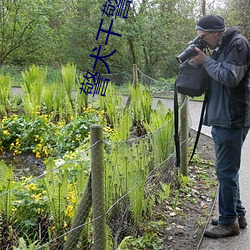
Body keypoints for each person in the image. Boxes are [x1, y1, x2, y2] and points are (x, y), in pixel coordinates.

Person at [192, 15, 250, 238]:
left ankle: (228, 223)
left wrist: (205, 61)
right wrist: (202, 60)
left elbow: (229, 77)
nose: (203, 41)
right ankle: (237, 214)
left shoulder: (238, 44)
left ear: (216, 32)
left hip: (232, 118)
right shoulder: (221, 46)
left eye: (204, 37)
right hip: (222, 117)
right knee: (227, 171)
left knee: (225, 171)